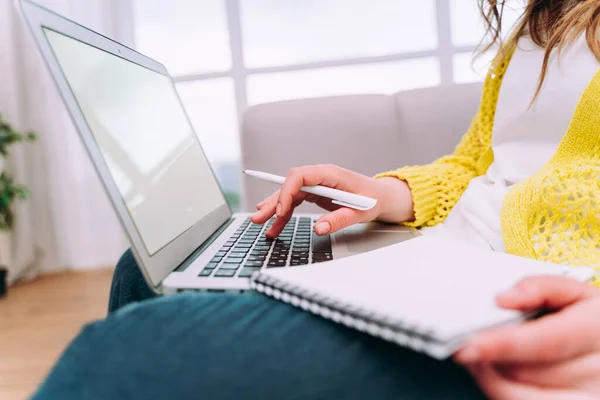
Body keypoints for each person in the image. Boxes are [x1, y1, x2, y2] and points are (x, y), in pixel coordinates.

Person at [36, 0, 600, 399]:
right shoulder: (534, 26)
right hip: (445, 257)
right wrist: (383, 193)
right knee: (142, 269)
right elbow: (480, 166)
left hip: (537, 307)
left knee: (128, 352)